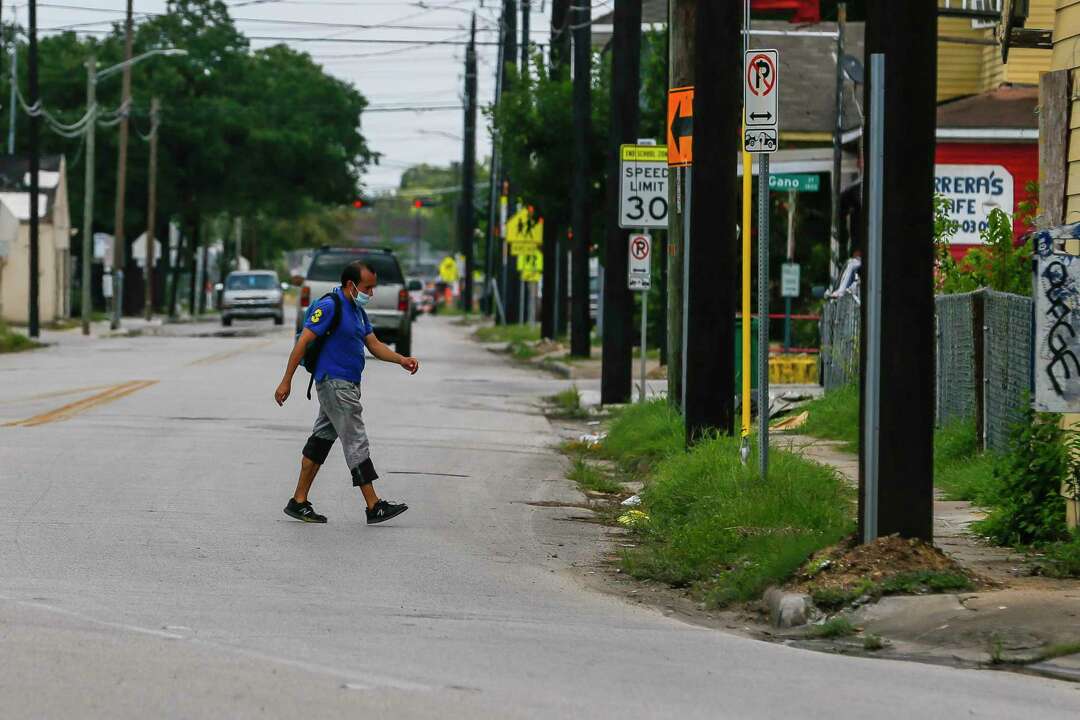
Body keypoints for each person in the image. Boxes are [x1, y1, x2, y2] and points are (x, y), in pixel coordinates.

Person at [274, 259, 420, 525]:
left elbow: (374, 344)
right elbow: (303, 342)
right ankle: (374, 505)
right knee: (356, 440)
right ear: (351, 285)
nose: (371, 293)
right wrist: (287, 380)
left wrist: (401, 359)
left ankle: (298, 501)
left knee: (321, 440)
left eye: (373, 288)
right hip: (334, 383)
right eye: (368, 287)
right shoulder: (331, 306)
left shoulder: (357, 311)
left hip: (347, 384)